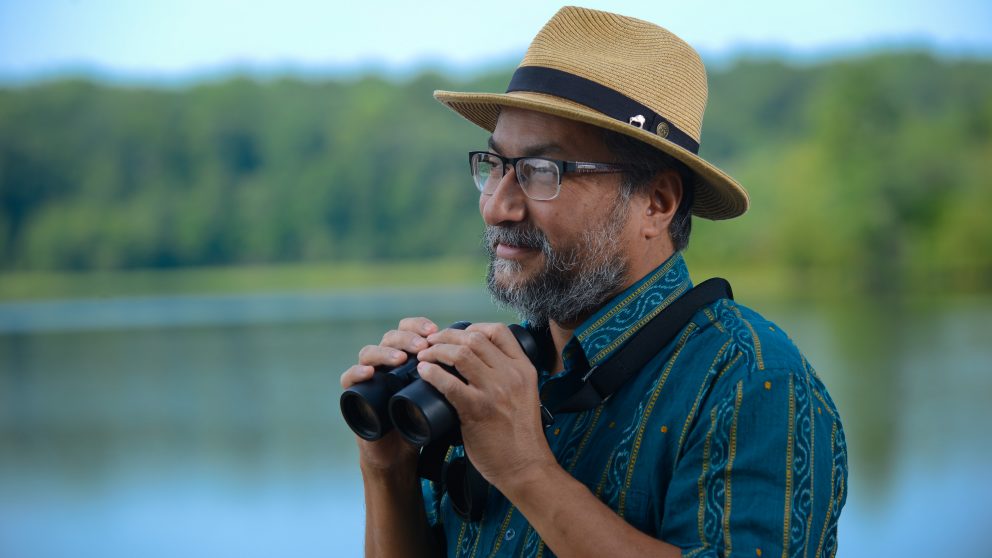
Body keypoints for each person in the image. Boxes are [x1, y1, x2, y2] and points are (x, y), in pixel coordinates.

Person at [340, 6, 847, 557]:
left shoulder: (753, 379)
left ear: (657, 202)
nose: (497, 205)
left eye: (540, 172)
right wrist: (386, 470)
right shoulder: (500, 376)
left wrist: (526, 469)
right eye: (495, 164)